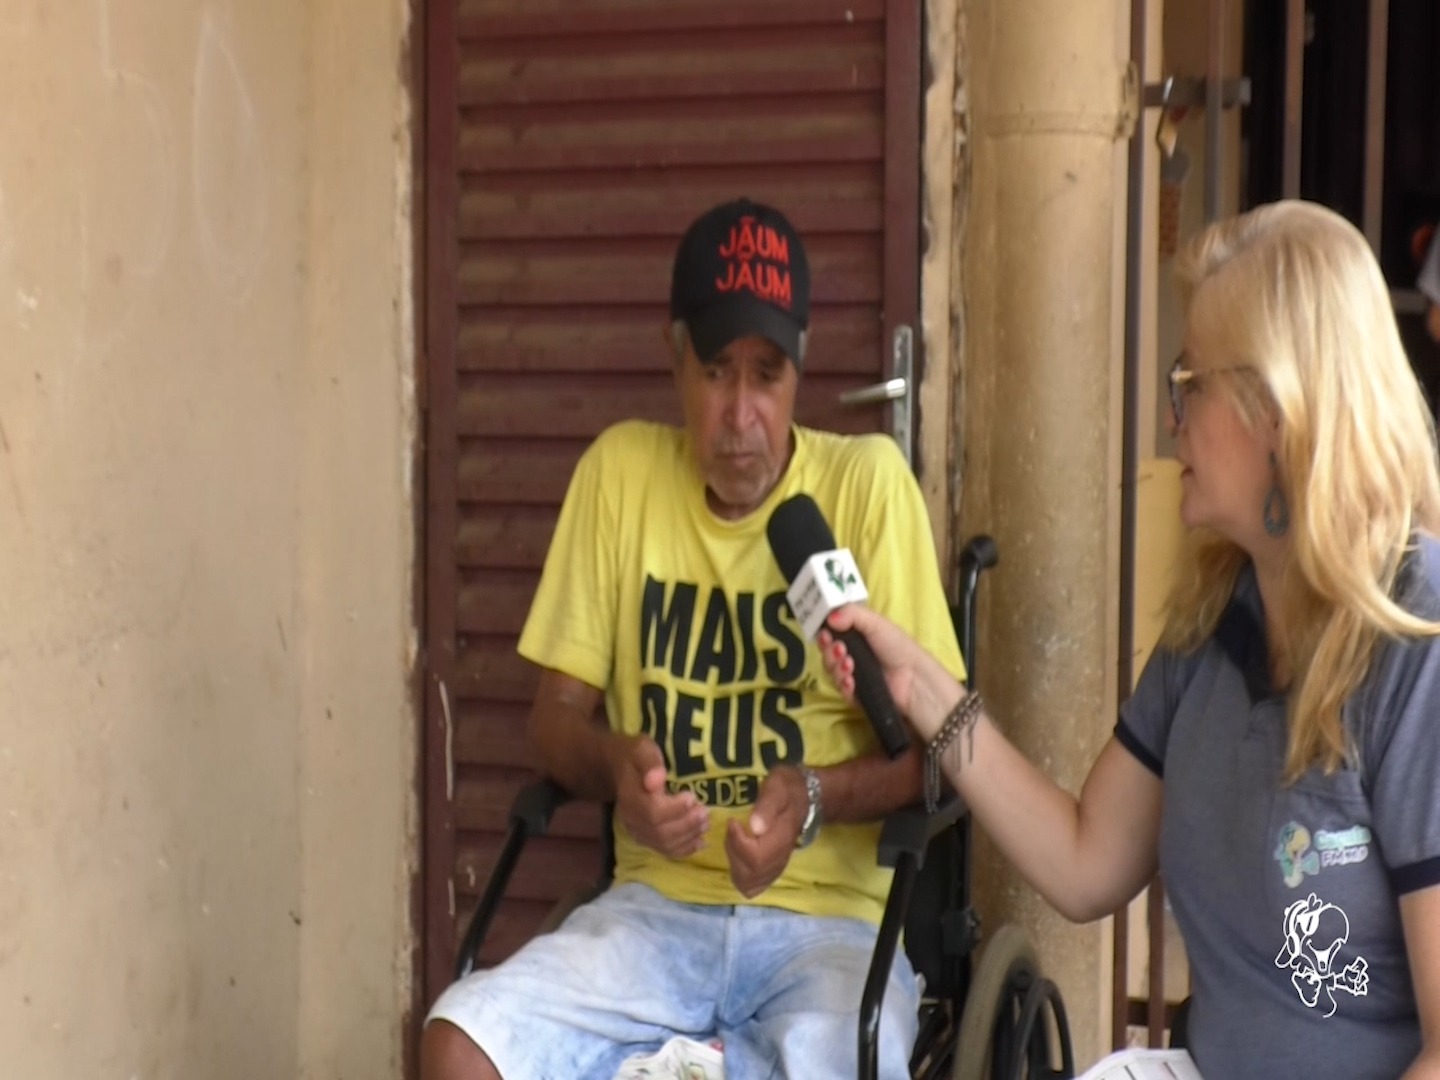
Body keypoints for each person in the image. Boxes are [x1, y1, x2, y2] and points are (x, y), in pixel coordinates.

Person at [820, 200, 1440, 1080]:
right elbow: (1086, 861)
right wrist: (921, 689)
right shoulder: (1220, 613)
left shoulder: (1418, 637)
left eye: (1191, 385)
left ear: (1281, 408)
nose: (1169, 419)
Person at [420, 197, 965, 1080]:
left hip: (828, 930)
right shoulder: (619, 476)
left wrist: (814, 798)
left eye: (768, 374)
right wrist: (615, 772)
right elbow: (553, 718)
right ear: (675, 359)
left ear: (800, 370)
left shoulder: (866, 489)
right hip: (652, 915)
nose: (742, 413)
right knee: (460, 1047)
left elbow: (935, 757)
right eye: (717, 372)